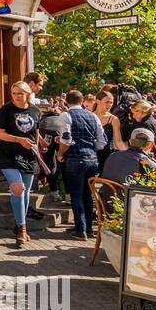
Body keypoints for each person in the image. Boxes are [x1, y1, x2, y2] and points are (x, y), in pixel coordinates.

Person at [0, 81, 41, 248]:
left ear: (28, 94)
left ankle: (19, 223)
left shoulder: (35, 111)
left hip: (29, 156)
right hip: (8, 154)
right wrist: (19, 140)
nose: (16, 96)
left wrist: (40, 147)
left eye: (20, 93)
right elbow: (0, 134)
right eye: (14, 93)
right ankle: (22, 228)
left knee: (26, 192)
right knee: (18, 188)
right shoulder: (6, 110)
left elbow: (35, 133)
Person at [58, 89, 107, 242]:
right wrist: (91, 149)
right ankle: (89, 228)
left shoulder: (66, 115)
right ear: (81, 101)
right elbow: (102, 141)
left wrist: (60, 153)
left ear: (67, 102)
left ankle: (80, 229)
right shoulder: (93, 116)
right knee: (88, 194)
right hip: (92, 159)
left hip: (75, 159)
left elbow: (66, 139)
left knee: (76, 195)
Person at [93, 89, 124, 166]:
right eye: (107, 102)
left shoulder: (114, 119)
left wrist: (129, 156)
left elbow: (118, 142)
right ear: (98, 101)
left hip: (106, 157)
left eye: (111, 102)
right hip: (90, 155)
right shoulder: (88, 116)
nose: (109, 105)